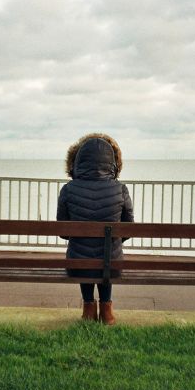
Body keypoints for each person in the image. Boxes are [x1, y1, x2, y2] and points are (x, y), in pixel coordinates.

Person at [56, 133, 134, 325]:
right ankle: (106, 311)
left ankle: (89, 309)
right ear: (114, 163)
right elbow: (128, 229)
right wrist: (113, 240)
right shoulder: (121, 190)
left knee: (84, 257)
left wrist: (81, 237)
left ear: (76, 161)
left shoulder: (68, 190)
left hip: (78, 265)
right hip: (112, 264)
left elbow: (63, 231)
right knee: (107, 258)